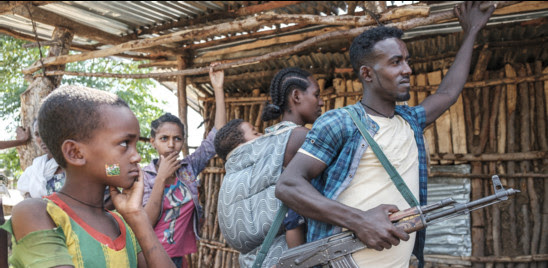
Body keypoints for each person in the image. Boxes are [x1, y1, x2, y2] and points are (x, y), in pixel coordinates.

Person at [275, 2, 495, 268]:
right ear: (367, 73)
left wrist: (471, 31)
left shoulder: (409, 121)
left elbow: (448, 93)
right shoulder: (342, 122)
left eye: (407, 61)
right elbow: (288, 185)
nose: (407, 70)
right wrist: (359, 220)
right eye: (395, 62)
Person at [1, 85, 175, 267]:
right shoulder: (38, 213)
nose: (137, 157)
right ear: (75, 153)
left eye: (136, 145)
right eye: (124, 143)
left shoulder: (123, 223)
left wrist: (137, 215)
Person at [216, 67, 324, 267]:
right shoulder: (299, 137)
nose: (322, 101)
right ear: (296, 96)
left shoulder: (268, 144)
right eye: (317, 94)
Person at [141, 63, 226, 268]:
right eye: (164, 138)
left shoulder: (189, 168)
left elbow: (217, 136)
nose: (171, 144)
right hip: (148, 257)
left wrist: (218, 89)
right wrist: (161, 178)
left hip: (177, 257)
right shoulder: (143, 175)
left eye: (177, 139)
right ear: (153, 141)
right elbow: (146, 222)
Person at [17, 120, 65, 199]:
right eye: (37, 134)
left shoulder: (73, 168)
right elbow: (28, 200)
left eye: (47, 132)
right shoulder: (34, 170)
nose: (42, 139)